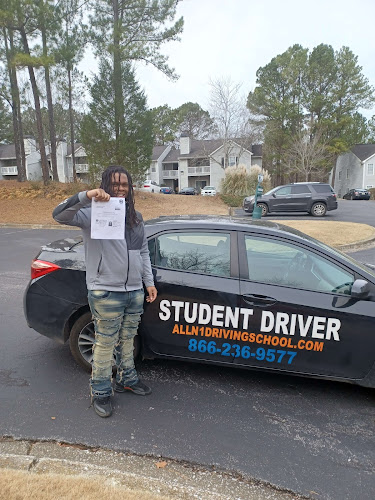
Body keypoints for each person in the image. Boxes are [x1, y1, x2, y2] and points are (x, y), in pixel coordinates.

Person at [53, 165, 157, 418]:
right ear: (105, 184)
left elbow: (142, 252)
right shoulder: (90, 214)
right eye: (115, 183)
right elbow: (59, 214)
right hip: (105, 291)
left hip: (134, 290)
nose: (120, 188)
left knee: (128, 339)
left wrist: (148, 281)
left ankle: (127, 379)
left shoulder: (136, 217)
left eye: (125, 184)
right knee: (105, 344)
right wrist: (86, 195)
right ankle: (100, 392)